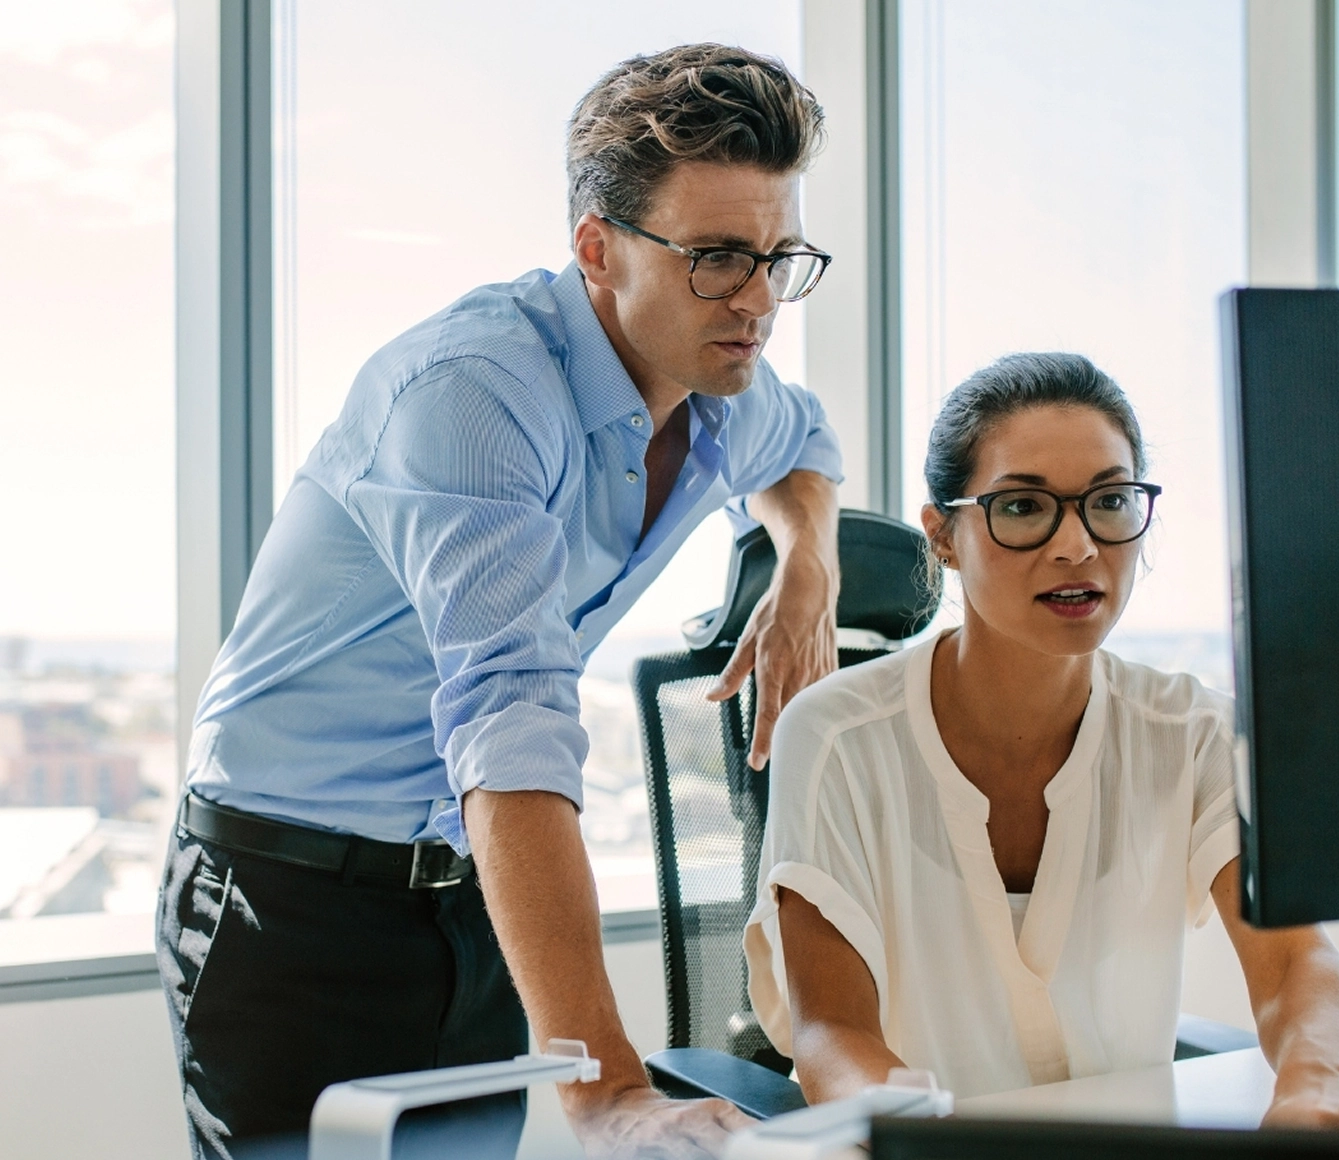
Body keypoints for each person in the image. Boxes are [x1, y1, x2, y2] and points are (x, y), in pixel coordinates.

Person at [158, 44, 844, 1160]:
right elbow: (513, 726)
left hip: (473, 894)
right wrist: (610, 1093)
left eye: (780, 257)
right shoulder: (474, 394)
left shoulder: (726, 388)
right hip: (289, 895)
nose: (760, 301)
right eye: (719, 258)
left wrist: (805, 562)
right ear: (597, 249)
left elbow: (807, 442)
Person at [743, 353, 1339, 1131]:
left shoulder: (1191, 734)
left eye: (1110, 501)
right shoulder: (834, 735)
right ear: (945, 535)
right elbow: (832, 1033)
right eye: (1024, 507)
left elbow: (1297, 963)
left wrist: (1319, 1081)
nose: (1077, 546)